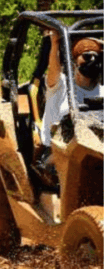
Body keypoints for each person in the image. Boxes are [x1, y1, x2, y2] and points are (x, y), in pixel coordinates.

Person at [35, 33, 102, 186]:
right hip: (57, 152)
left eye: (96, 56)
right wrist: (55, 44)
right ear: (74, 61)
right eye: (86, 56)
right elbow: (53, 70)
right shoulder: (61, 85)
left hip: (93, 153)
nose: (92, 60)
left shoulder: (102, 91)